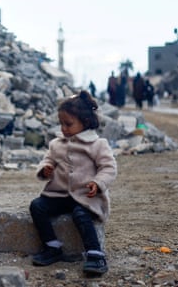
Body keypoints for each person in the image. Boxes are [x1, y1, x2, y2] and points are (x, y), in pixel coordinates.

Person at [29, 90, 117, 275]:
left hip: (86, 196)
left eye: (68, 124)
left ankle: (95, 255)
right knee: (37, 206)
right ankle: (52, 247)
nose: (64, 128)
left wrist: (98, 183)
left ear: (85, 122)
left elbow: (108, 168)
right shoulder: (56, 144)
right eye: (61, 124)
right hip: (59, 194)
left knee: (80, 214)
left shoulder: (97, 144)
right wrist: (46, 169)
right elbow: (47, 160)